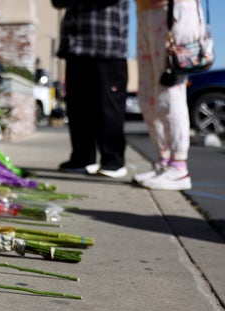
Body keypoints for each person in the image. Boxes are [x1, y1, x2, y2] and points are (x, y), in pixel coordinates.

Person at [52, 0, 129, 178]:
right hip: (75, 45)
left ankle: (113, 161)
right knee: (78, 107)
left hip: (107, 45)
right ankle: (82, 158)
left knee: (108, 108)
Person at [133, 0, 205, 190]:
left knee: (169, 92)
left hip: (173, 10)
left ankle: (179, 166)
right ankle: (165, 162)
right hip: (145, 11)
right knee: (147, 96)